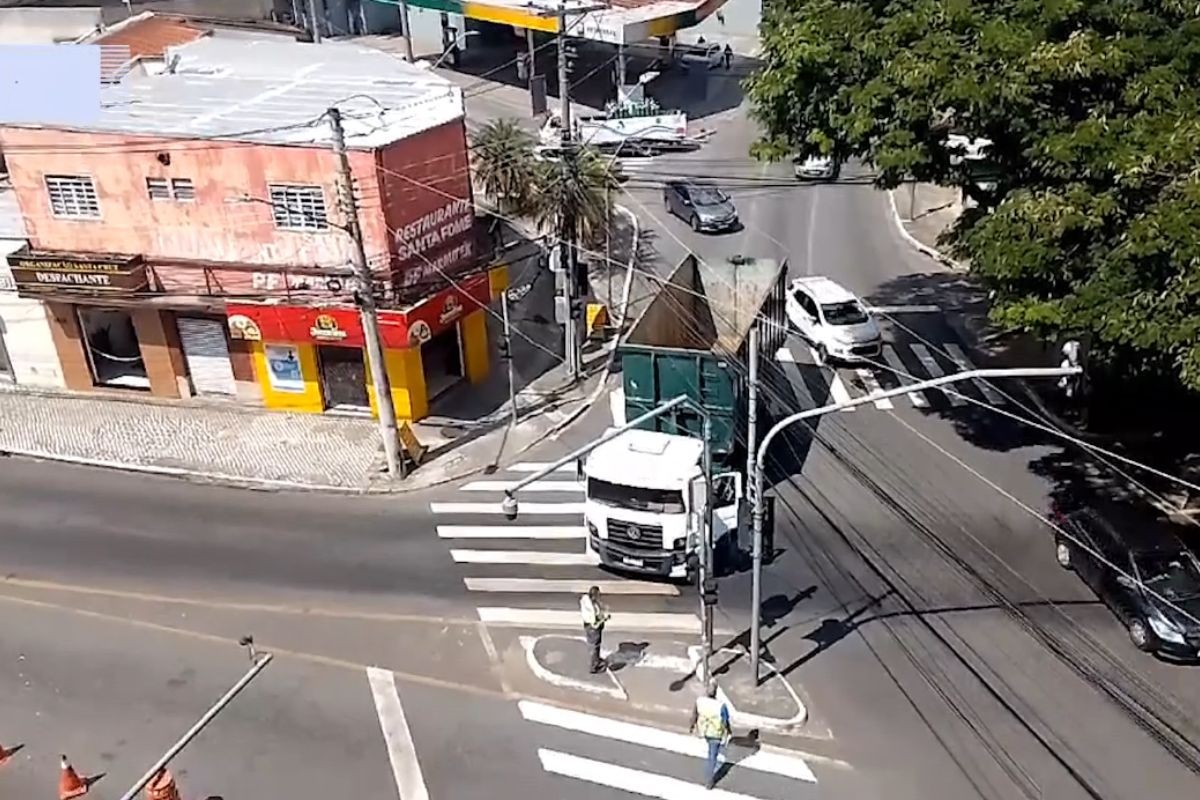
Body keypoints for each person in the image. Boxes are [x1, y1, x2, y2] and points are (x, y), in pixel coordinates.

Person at [691, 681, 731, 789]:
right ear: (716, 692)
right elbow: (725, 721)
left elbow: (694, 714)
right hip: (716, 733)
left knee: (711, 751)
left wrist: (692, 726)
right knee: (712, 756)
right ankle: (709, 781)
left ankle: (709, 777)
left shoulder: (700, 701)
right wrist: (728, 731)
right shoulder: (721, 706)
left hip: (705, 731)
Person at [580, 585, 610, 673]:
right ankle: (594, 666)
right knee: (595, 646)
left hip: (588, 626)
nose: (599, 596)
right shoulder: (591, 610)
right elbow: (595, 624)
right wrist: (604, 619)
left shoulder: (587, 601)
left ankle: (596, 660)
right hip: (593, 628)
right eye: (598, 595)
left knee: (592, 644)